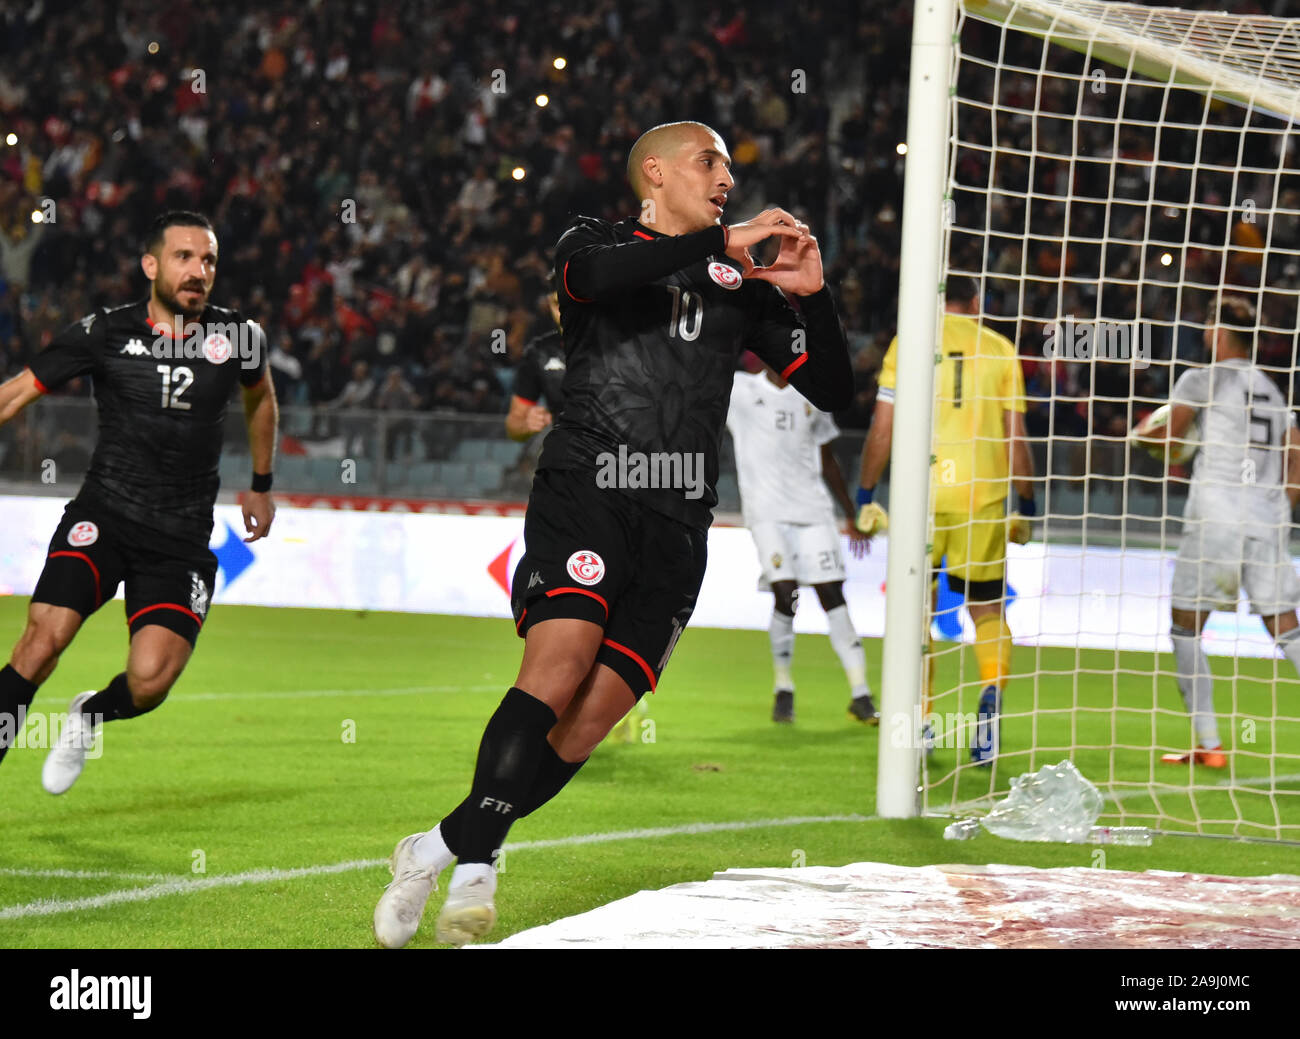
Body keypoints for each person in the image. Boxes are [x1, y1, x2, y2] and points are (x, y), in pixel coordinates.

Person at [373, 120, 852, 948]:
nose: (726, 179)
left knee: (588, 723)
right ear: (656, 174)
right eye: (710, 164)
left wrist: (814, 295)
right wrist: (719, 241)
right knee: (557, 667)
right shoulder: (595, 241)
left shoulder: (742, 286)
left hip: (680, 521)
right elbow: (596, 277)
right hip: (589, 485)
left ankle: (436, 845)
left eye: (732, 170)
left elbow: (836, 388)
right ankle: (480, 864)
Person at [0, 210, 277, 791]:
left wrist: (261, 481)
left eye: (208, 261)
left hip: (178, 540)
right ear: (151, 265)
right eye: (184, 257)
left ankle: (89, 715)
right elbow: (20, 390)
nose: (198, 271)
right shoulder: (105, 332)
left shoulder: (240, 338)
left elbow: (262, 400)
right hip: (104, 515)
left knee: (149, 680)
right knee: (40, 642)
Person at [855, 276, 1035, 765]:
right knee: (987, 609)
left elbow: (883, 424)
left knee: (917, 608)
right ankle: (990, 700)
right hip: (983, 496)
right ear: (977, 303)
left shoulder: (910, 343)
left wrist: (865, 491)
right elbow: (1014, 434)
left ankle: (923, 719)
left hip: (922, 496)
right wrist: (1027, 503)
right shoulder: (1000, 349)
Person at [1133, 294, 1300, 769]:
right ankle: (1207, 747)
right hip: (1265, 520)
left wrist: (1138, 434)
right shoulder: (1271, 389)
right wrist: (1277, 505)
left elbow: (1168, 438)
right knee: (1287, 628)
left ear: (1217, 332)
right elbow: (1296, 454)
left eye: (1207, 323)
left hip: (1215, 518)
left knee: (1186, 628)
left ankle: (1209, 746)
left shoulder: (1200, 379)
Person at [726, 361, 876, 724]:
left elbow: (827, 459)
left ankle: (861, 695)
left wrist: (850, 511)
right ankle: (783, 688)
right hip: (767, 514)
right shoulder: (739, 390)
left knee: (832, 596)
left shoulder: (813, 395)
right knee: (786, 592)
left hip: (814, 511)